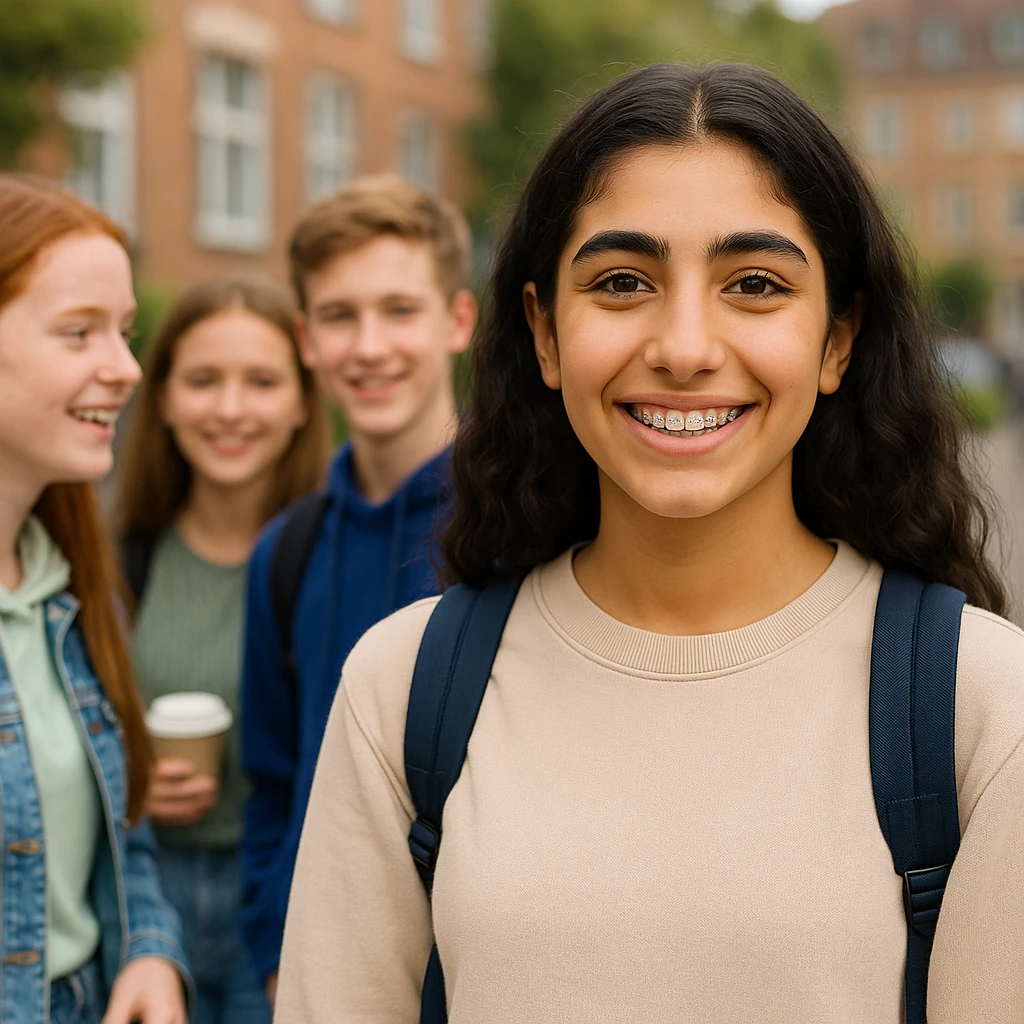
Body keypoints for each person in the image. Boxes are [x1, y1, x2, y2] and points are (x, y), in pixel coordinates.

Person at [273, 62, 1024, 1023]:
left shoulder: (979, 707)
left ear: (838, 340)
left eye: (755, 284)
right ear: (544, 331)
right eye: (622, 282)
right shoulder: (403, 689)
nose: (682, 345)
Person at [240, 173, 477, 1000]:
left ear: (457, 320)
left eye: (399, 310)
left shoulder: (529, 525)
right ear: (306, 339)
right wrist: (276, 952)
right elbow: (270, 783)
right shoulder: (286, 550)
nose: (369, 346)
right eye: (340, 316)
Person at [0, 175, 192, 1024]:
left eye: (123, 332)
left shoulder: (74, 584)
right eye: (79, 333)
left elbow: (123, 829)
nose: (126, 369)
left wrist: (150, 949)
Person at [115, 276, 330, 1024]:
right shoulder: (116, 560)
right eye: (203, 380)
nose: (231, 409)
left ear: (304, 400)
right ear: (165, 396)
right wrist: (129, 781)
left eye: (262, 381)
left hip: (284, 900)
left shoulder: (327, 560)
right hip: (141, 904)